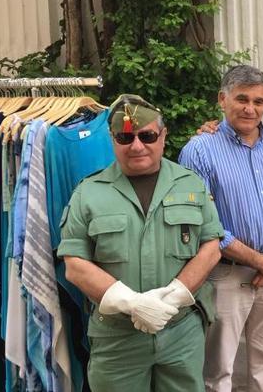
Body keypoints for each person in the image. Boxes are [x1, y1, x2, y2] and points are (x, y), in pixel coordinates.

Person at [57, 94, 223, 391]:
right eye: (125, 137)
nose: (136, 146)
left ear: (162, 136)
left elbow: (210, 248)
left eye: (146, 136)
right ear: (112, 139)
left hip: (180, 330)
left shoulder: (190, 184)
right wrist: (132, 303)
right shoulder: (88, 193)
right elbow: (75, 264)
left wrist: (174, 297)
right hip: (117, 336)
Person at [179, 65, 263, 392]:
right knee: (218, 368)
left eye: (259, 101)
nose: (251, 108)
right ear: (222, 99)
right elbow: (204, 224)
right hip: (227, 275)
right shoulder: (199, 150)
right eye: (242, 99)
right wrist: (258, 262)